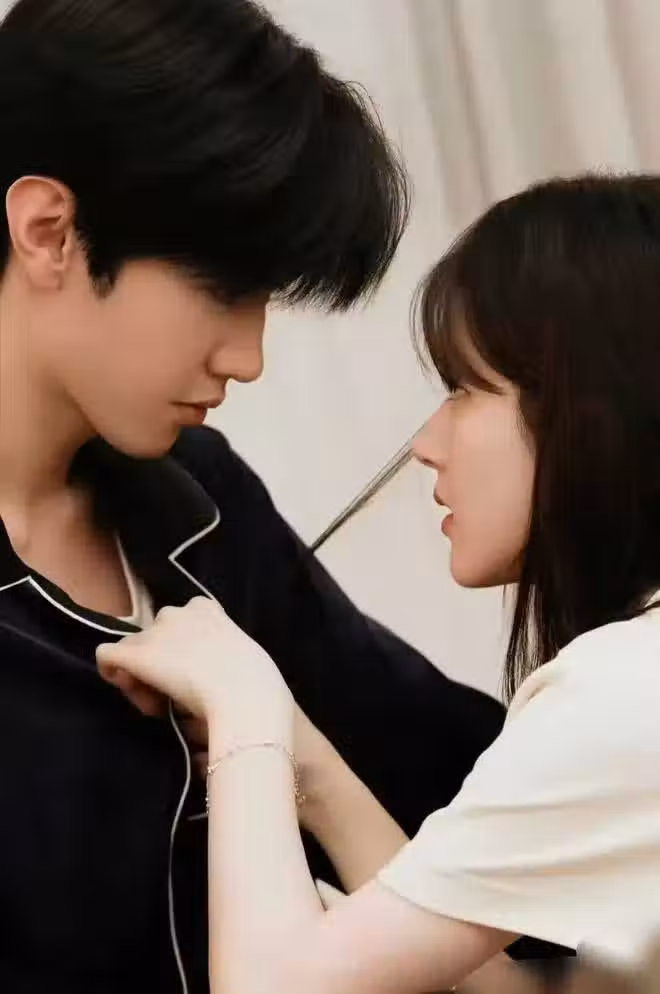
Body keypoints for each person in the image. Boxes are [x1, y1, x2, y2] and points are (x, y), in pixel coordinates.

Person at [0, 1, 508, 991]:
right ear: (49, 231)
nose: (249, 355)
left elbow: (446, 762)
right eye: (225, 288)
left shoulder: (203, 504)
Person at [101, 172, 660, 994]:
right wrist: (313, 775)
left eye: (466, 390)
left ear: (595, 414)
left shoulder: (623, 692)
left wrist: (244, 706)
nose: (427, 443)